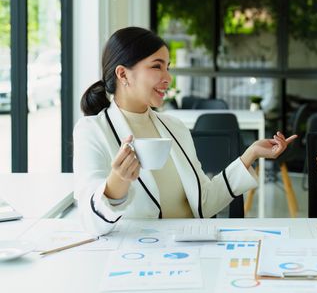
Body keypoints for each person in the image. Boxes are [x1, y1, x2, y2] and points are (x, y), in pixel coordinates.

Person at [74, 27, 296, 235]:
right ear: (123, 74)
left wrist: (251, 154)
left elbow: (205, 201)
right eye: (156, 66)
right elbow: (89, 223)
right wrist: (117, 183)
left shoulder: (175, 127)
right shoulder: (92, 131)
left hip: (192, 249)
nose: (168, 78)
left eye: (167, 67)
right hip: (140, 257)